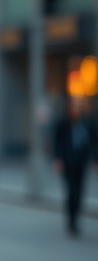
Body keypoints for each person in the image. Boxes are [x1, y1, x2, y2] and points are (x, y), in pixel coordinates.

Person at [52, 96, 96, 238]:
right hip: (68, 162)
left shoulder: (86, 123)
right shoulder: (63, 123)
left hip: (81, 163)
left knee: (80, 192)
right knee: (72, 191)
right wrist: (58, 158)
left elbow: (93, 142)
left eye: (78, 107)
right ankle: (71, 221)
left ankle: (76, 219)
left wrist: (95, 160)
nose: (75, 110)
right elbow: (57, 141)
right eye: (73, 107)